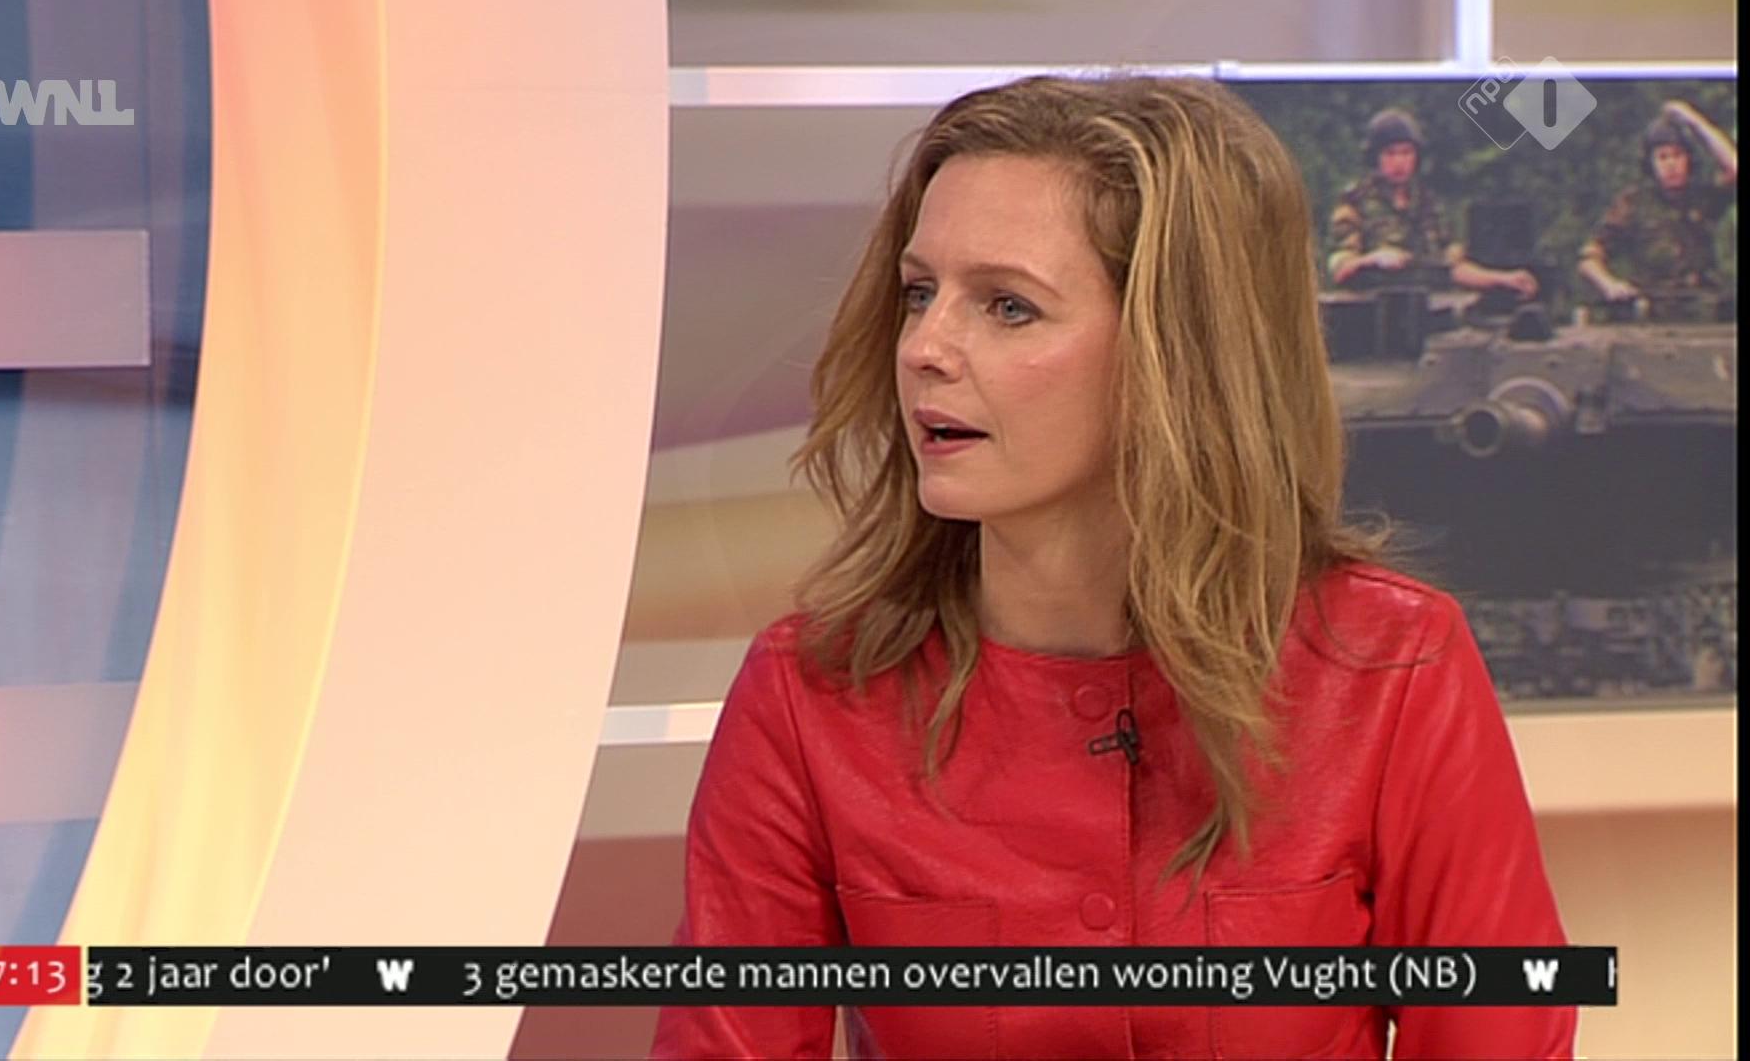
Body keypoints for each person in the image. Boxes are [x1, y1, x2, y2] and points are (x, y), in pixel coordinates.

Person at [651, 74, 1573, 1059]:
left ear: (1176, 354)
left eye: (1008, 306)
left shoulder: (1390, 667)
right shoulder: (812, 697)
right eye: (921, 293)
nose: (924, 347)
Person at [1328, 108, 1539, 299]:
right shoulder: (1355, 201)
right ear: (1376, 158)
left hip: (1427, 306)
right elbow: (1340, 269)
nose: (1399, 162)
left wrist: (1501, 279)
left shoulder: (1426, 203)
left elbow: (1451, 268)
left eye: (1406, 152)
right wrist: (1371, 260)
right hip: (1371, 309)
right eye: (1390, 153)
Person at [1578, 99, 1738, 302]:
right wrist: (1610, 285)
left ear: (1689, 159)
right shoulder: (1634, 203)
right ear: (1651, 163)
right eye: (1662, 157)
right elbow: (1590, 258)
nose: (1671, 164)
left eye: (1677, 155)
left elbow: (1734, 169)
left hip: (1704, 303)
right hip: (1654, 307)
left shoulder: (1701, 197)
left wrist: (1695, 123)